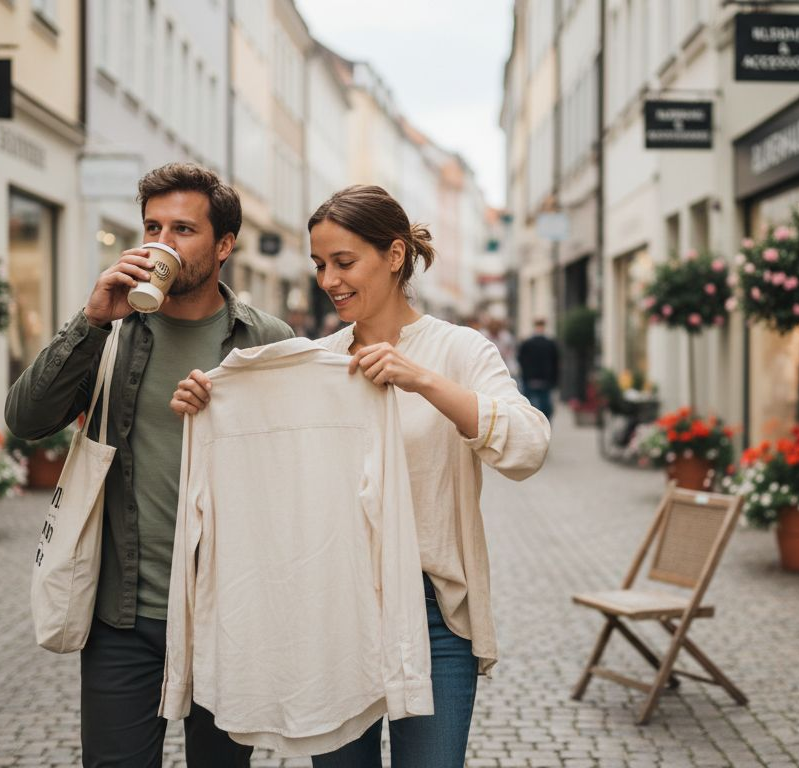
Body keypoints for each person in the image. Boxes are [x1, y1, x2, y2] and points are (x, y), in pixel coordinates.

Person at [172, 185, 551, 767]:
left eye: (344, 263)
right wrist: (212, 406)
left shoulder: (458, 350)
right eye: (320, 265)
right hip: (335, 610)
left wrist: (420, 379)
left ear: (394, 255)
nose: (329, 280)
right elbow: (278, 481)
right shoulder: (315, 361)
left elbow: (527, 446)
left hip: (433, 616)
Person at [5, 162, 293, 768]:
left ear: (224, 246)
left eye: (183, 230)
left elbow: (293, 475)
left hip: (227, 614)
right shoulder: (112, 332)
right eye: (152, 227)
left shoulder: (267, 339)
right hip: (125, 614)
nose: (161, 243)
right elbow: (27, 420)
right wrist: (89, 320)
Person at [517, 318, 560, 421]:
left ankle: (536, 424)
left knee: (534, 406)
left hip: (534, 378)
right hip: (542, 378)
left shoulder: (528, 343)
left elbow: (521, 360)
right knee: (543, 406)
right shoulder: (549, 343)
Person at [480, 315, 520, 383]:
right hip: (487, 368)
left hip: (504, 366)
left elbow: (510, 355)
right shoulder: (482, 336)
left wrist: (513, 370)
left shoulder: (506, 337)